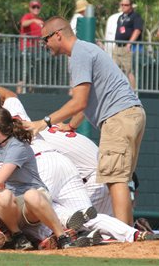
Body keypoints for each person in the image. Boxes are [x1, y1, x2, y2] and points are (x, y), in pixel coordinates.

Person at [26, 16, 146, 226]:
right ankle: (129, 235)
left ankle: (125, 237)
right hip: (131, 115)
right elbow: (89, 98)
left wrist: (43, 122)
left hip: (117, 118)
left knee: (115, 180)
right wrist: (71, 125)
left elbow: (79, 101)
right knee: (119, 179)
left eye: (45, 39)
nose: (45, 45)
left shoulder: (78, 55)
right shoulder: (86, 49)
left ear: (58, 35)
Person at [0, 107, 77, 250]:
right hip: (13, 204)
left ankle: (62, 236)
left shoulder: (17, 146)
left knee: (31, 195)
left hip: (35, 202)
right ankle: (18, 236)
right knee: (2, 196)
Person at [112, 0, 143, 90]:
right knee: (115, 69)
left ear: (131, 6)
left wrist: (129, 44)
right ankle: (117, 91)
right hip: (117, 47)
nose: (124, 7)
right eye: (122, 5)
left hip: (127, 48)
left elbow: (137, 30)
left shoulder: (135, 16)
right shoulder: (120, 17)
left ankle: (133, 93)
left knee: (129, 70)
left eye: (126, 5)